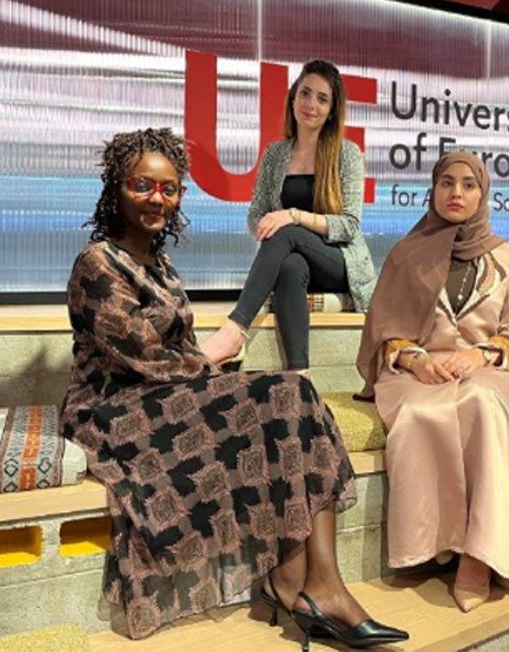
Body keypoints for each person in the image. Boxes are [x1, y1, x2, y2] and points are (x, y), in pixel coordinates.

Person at [61, 128, 407, 649]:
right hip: (111, 407)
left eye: (169, 189)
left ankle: (307, 582)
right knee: (279, 398)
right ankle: (303, 587)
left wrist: (209, 372)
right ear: (116, 188)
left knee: (293, 393)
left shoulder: (160, 261)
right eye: (143, 185)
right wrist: (210, 371)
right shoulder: (99, 263)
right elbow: (145, 357)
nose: (158, 198)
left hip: (162, 394)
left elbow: (175, 354)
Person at [356, 150, 509, 612]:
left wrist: (480, 354)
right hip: (417, 370)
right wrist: (414, 358)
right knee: (421, 412)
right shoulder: (407, 253)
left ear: (483, 194)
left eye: (469, 185)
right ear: (433, 189)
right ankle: (439, 541)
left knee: (484, 404)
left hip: (486, 369)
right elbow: (383, 330)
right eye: (447, 182)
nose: (457, 193)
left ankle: (480, 556)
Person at [201, 60, 376, 373]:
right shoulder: (275, 154)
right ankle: (299, 374)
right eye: (305, 94)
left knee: (287, 230)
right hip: (297, 259)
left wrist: (293, 216)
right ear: (293, 96)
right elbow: (256, 214)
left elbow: (349, 226)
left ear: (332, 110)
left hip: (338, 261)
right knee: (290, 264)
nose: (311, 104)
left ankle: (234, 331)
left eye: (322, 99)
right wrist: (267, 226)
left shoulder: (347, 153)